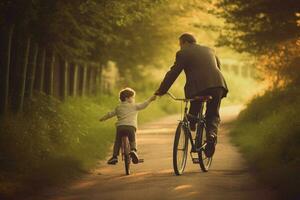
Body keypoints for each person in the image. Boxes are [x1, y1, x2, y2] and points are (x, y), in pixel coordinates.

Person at [154, 33, 228, 157]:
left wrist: (161, 90)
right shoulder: (210, 50)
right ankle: (211, 135)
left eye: (180, 45)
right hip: (218, 85)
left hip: (198, 87)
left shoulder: (183, 53)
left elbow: (173, 73)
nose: (180, 47)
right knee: (213, 114)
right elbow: (218, 68)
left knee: (193, 111)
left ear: (185, 43)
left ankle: (192, 121)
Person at [99, 87, 156, 165]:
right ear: (127, 98)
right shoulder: (134, 106)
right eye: (132, 97)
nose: (133, 99)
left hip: (120, 127)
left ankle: (114, 157)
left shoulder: (118, 107)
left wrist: (102, 119)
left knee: (117, 142)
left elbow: (110, 114)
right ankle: (133, 150)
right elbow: (143, 105)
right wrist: (150, 99)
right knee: (132, 140)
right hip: (130, 127)